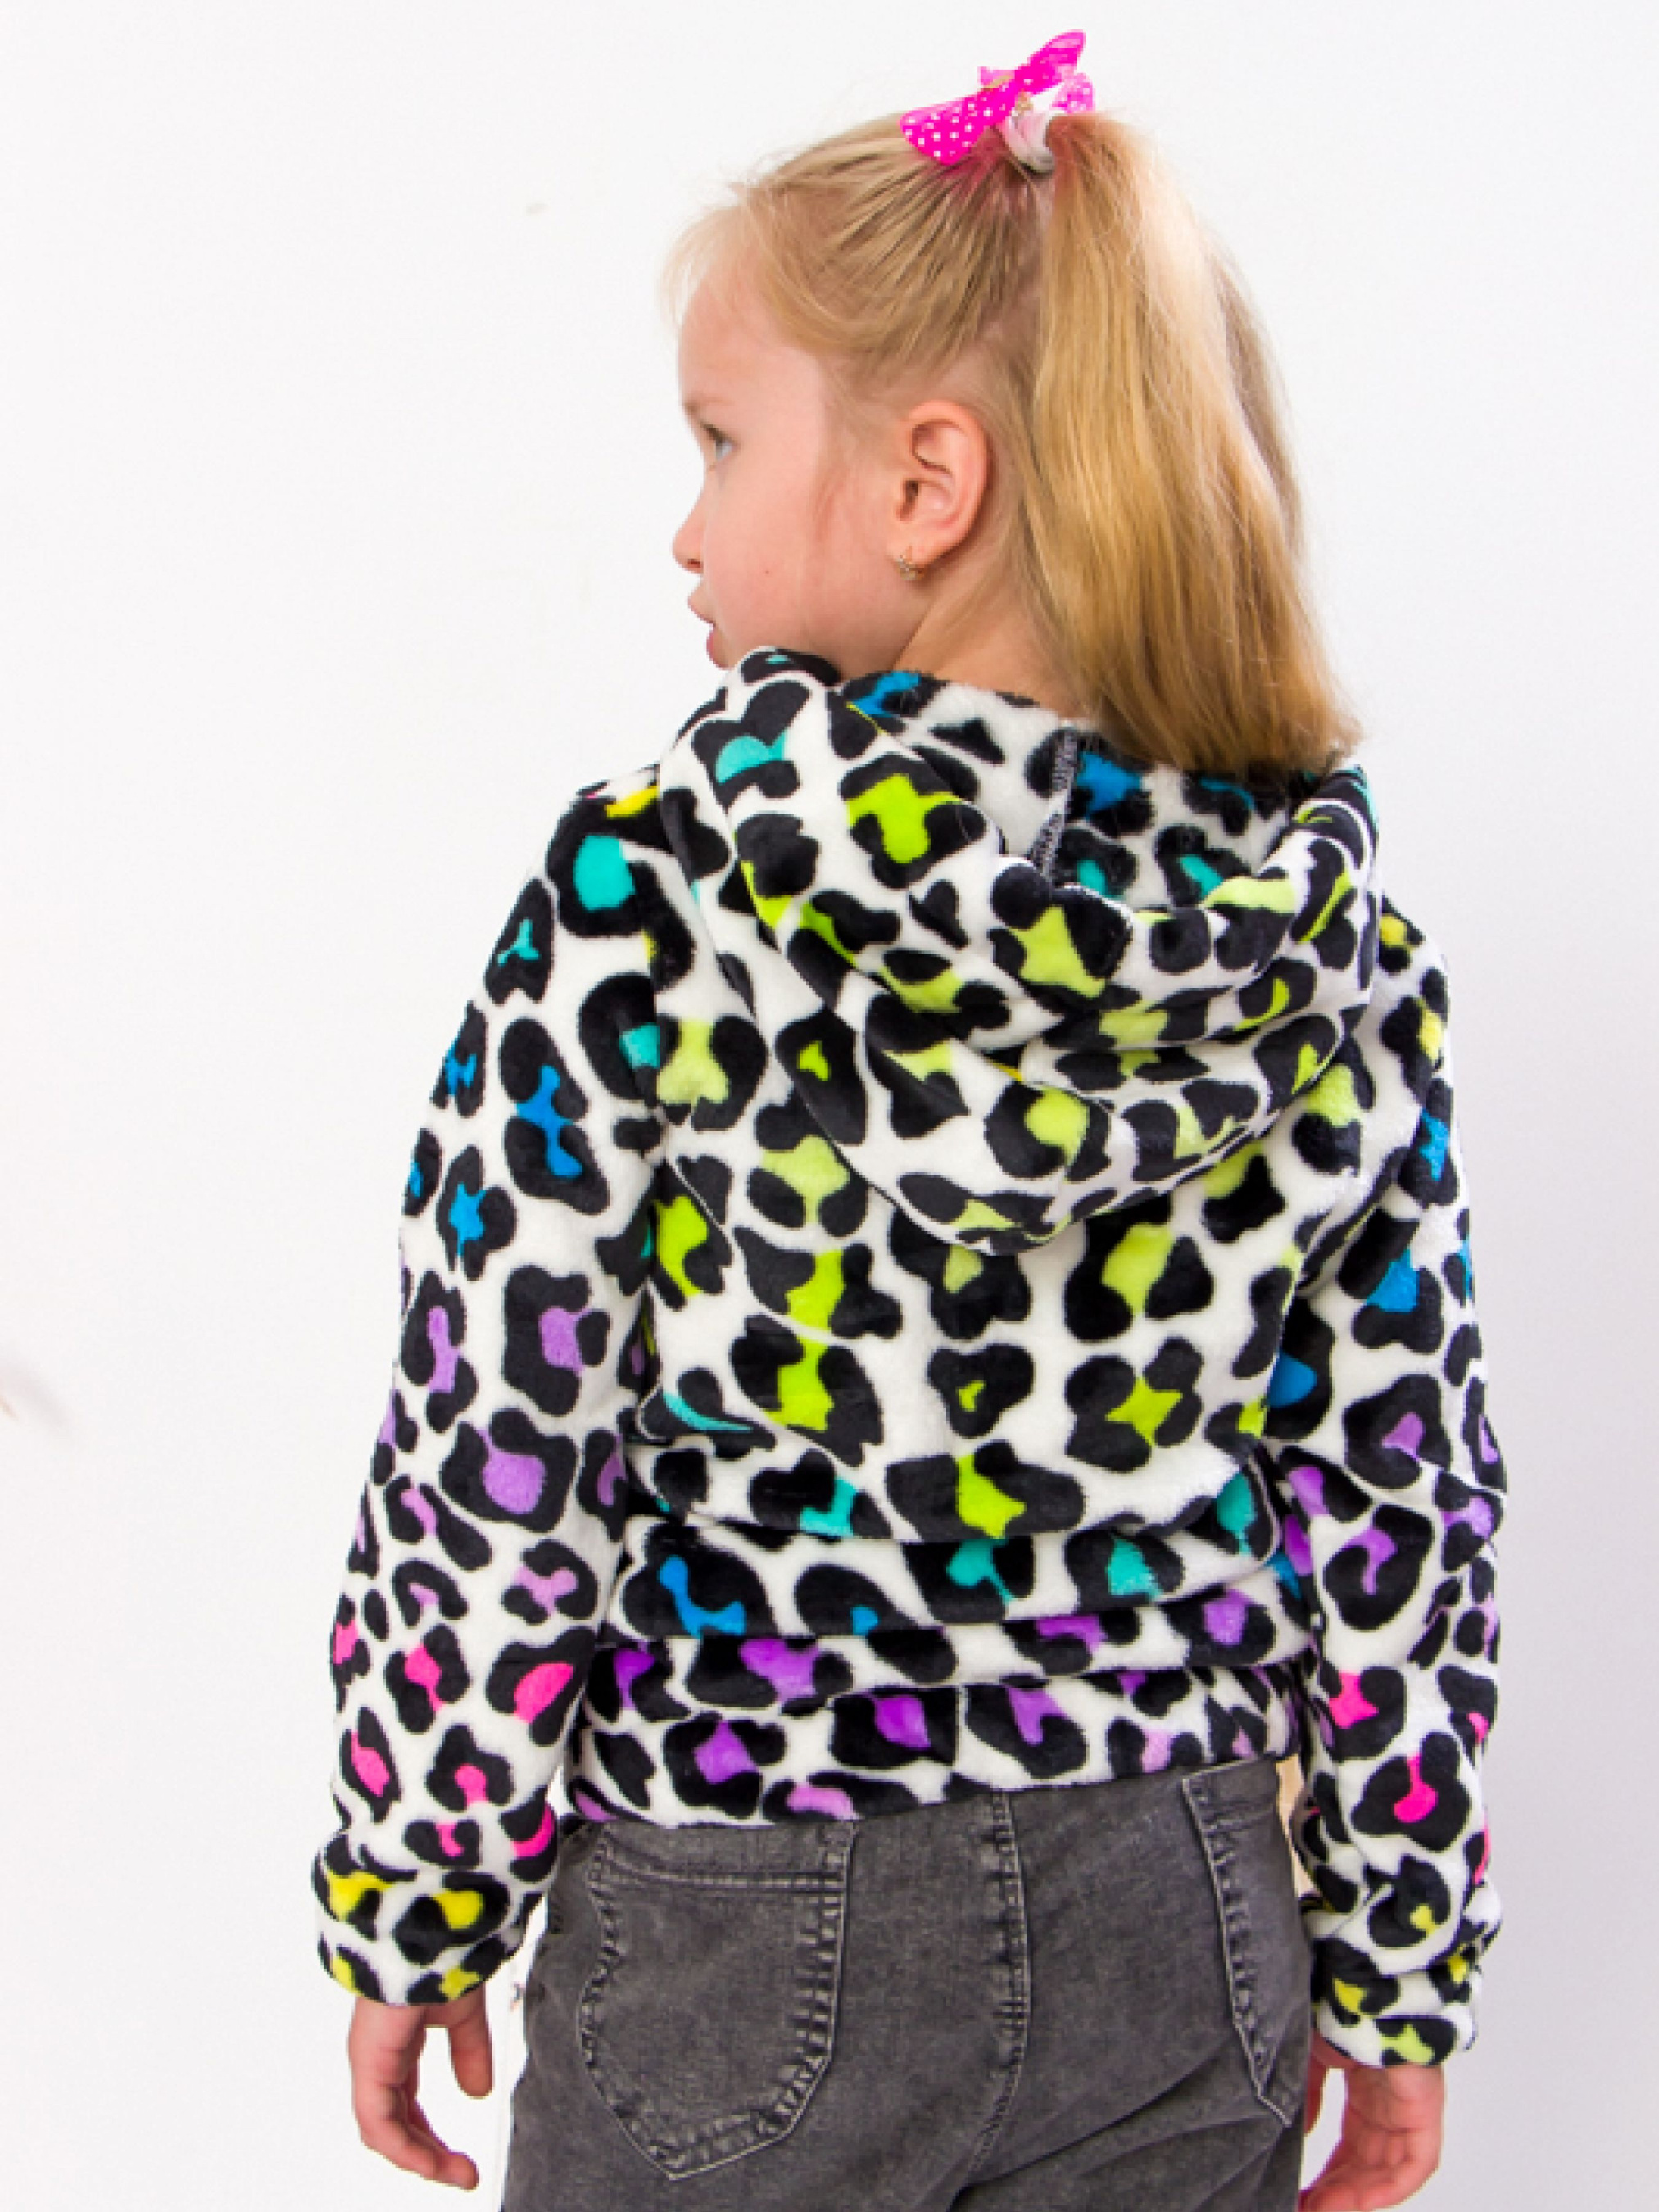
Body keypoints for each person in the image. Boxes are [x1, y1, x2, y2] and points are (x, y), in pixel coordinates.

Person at [313, 32, 1503, 2211]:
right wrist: (1399, 1976)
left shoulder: (653, 897)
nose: (686, 521)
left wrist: (417, 1890)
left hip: (733, 1901)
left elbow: (497, 1446)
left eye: (719, 438)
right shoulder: (1321, 951)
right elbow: (1399, 1507)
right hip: (1183, 1901)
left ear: (923, 480)